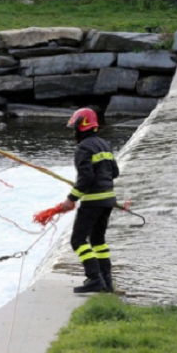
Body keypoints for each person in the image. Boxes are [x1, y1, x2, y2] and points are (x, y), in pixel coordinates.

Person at [60, 108, 119, 293]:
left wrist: (71, 199)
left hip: (93, 202)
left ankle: (94, 278)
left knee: (78, 240)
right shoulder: (105, 145)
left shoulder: (83, 148)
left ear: (81, 127)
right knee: (98, 240)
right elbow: (114, 172)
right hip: (108, 200)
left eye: (74, 128)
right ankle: (106, 282)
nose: (73, 132)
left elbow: (85, 178)